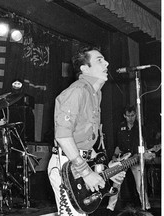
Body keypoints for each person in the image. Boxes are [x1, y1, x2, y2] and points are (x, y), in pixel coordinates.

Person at [47, 46, 125, 216]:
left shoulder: (96, 94)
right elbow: (63, 136)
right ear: (84, 68)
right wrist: (86, 172)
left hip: (81, 162)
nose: (107, 63)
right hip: (67, 166)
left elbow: (86, 142)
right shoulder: (77, 91)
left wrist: (105, 169)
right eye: (99, 60)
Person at [106, 105, 151, 213]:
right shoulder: (120, 127)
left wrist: (145, 154)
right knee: (116, 183)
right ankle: (110, 208)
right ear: (124, 116)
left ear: (135, 115)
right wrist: (114, 157)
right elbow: (118, 145)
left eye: (132, 115)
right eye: (128, 116)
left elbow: (145, 144)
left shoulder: (140, 128)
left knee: (140, 185)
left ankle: (147, 207)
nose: (130, 118)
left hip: (136, 159)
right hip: (123, 159)